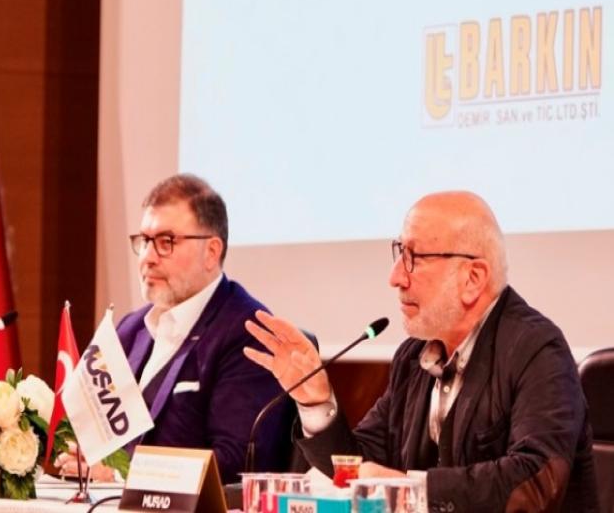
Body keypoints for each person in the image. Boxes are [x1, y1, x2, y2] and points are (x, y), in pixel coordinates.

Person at [244, 191, 598, 511]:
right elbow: (360, 467)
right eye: (400, 253)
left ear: (473, 278)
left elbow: (534, 482)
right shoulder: (412, 358)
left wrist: (412, 489)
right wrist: (317, 403)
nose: (396, 277)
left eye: (414, 257)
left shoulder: (536, 350)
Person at [62, 174, 294, 484]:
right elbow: (93, 433)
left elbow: (234, 462)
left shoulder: (248, 332)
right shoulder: (131, 329)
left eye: (165, 242)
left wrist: (120, 475)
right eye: (145, 241)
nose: (148, 258)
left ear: (211, 252)